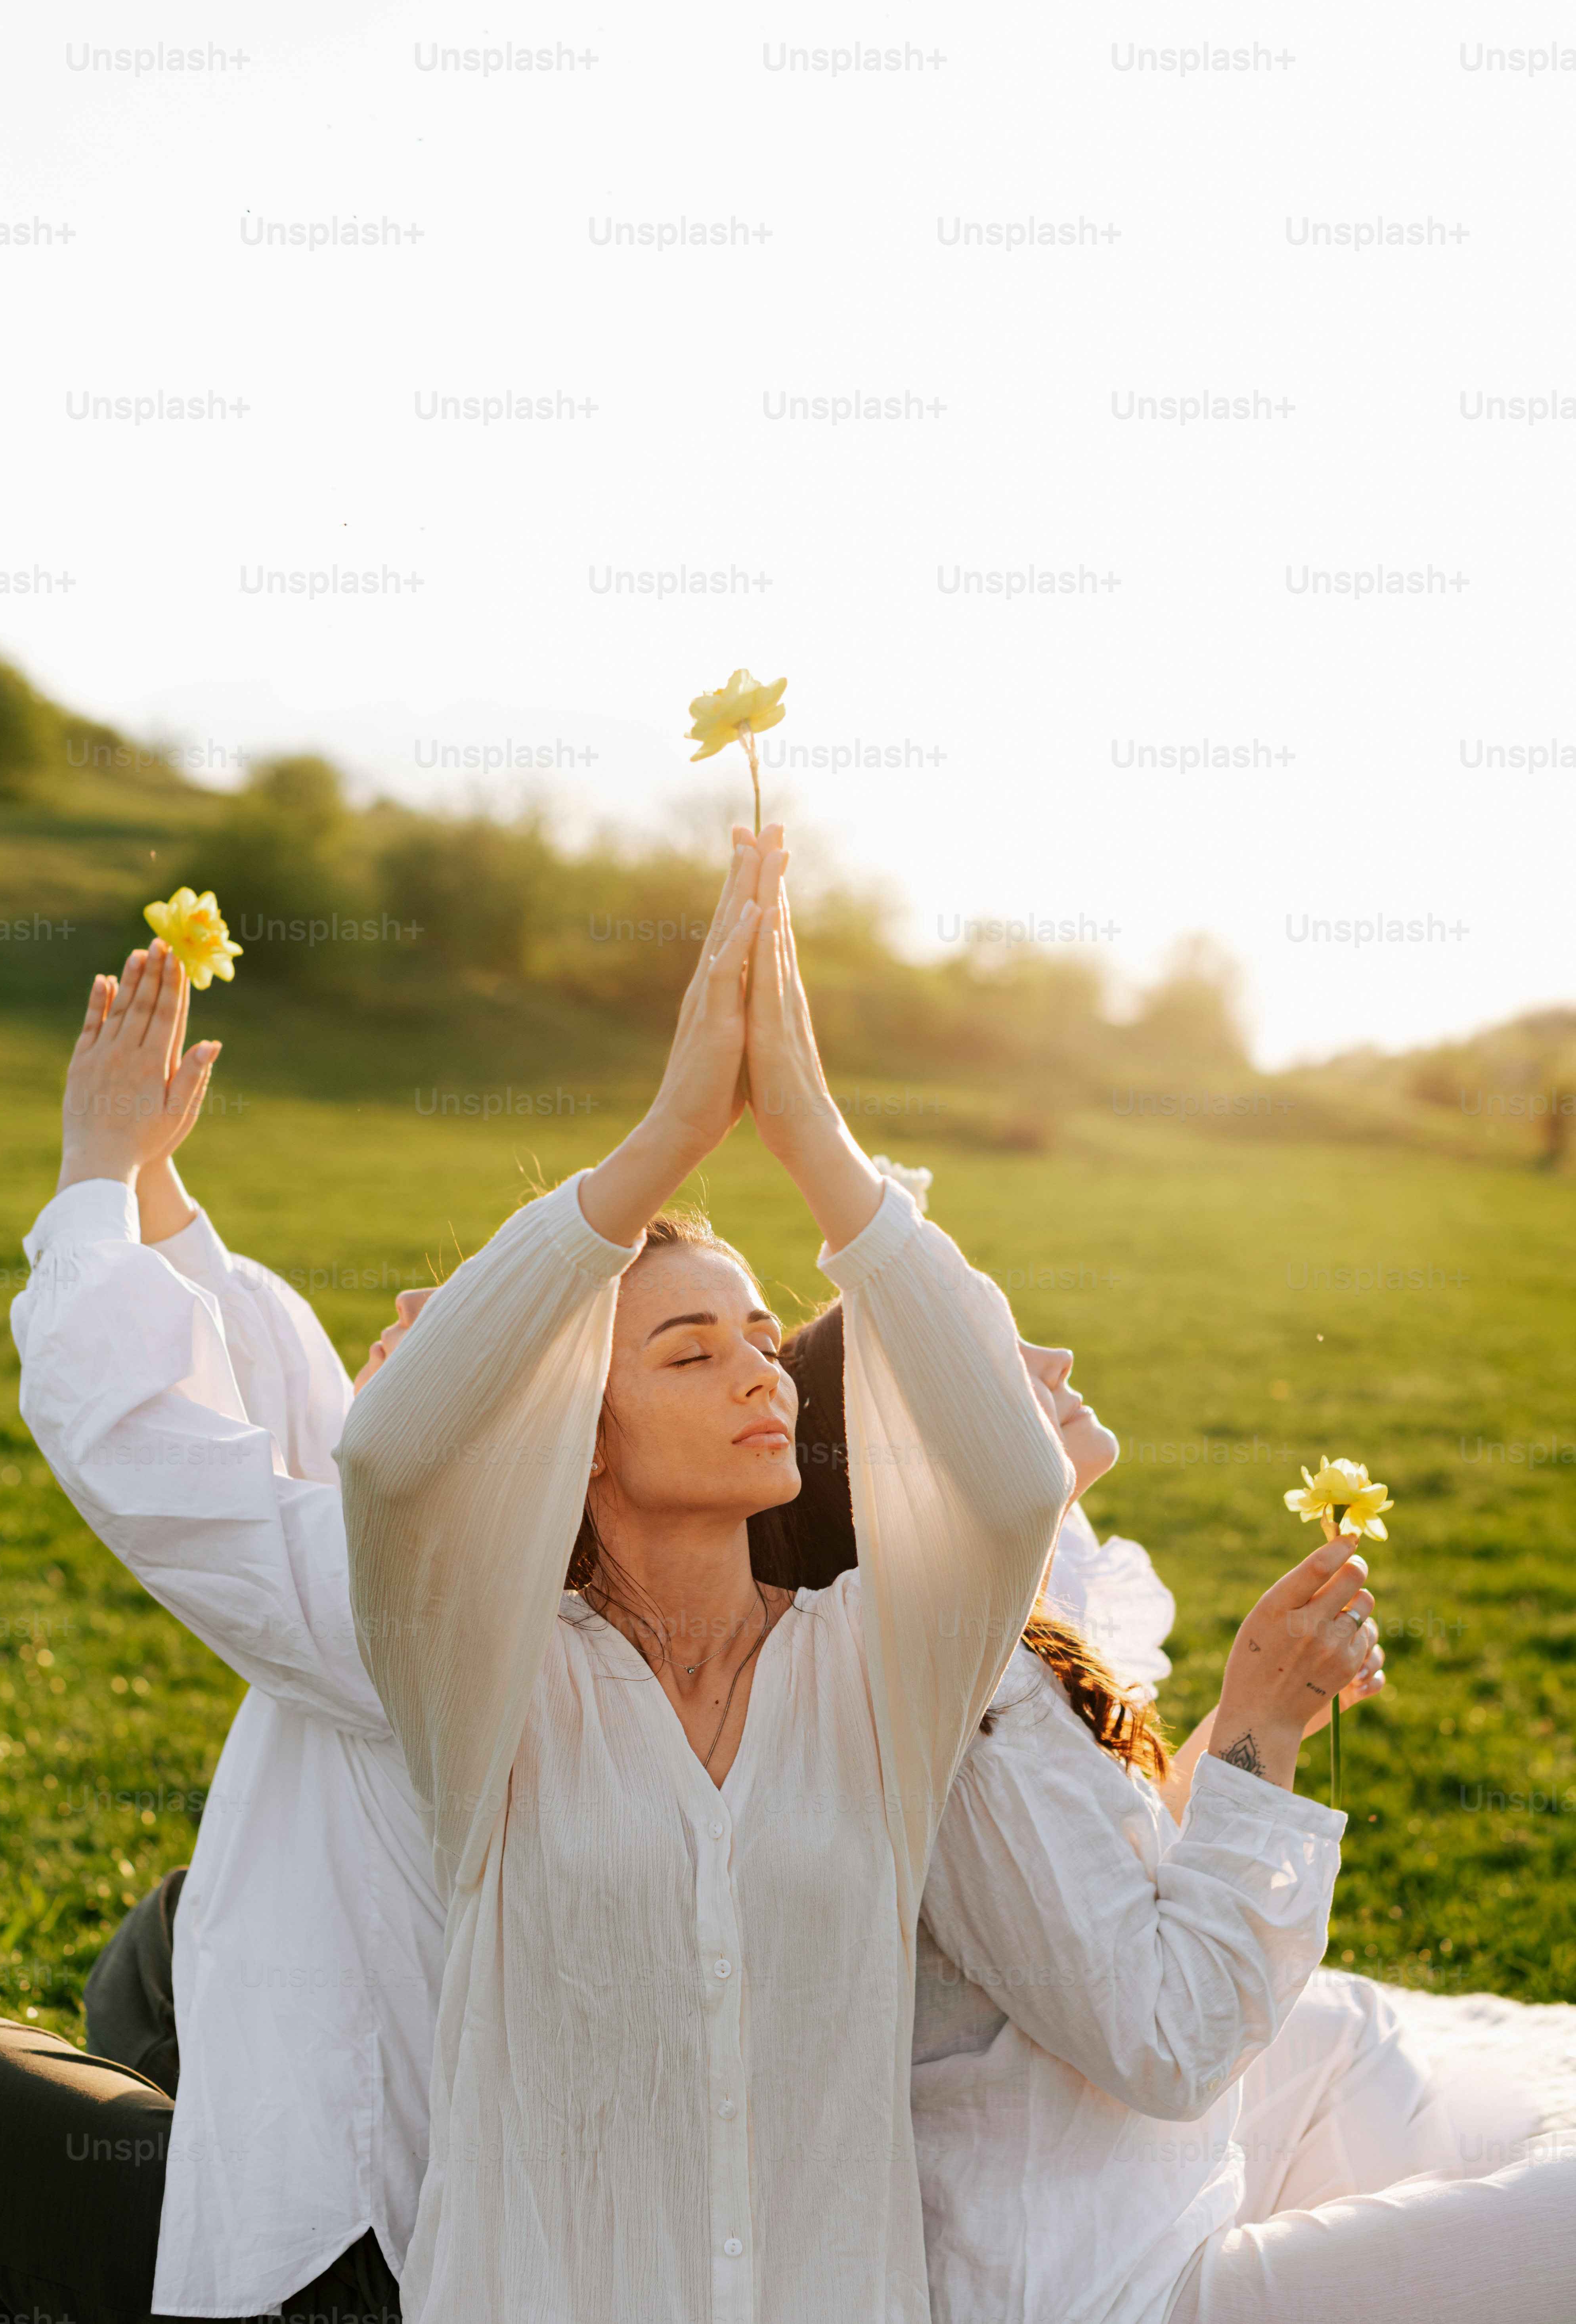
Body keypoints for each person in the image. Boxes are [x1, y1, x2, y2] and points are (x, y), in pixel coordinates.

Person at [337, 830, 1076, 2323]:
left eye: (758, 1337)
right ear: (578, 1439)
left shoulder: (874, 1667)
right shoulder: (495, 1676)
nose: (761, 1371)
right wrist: (669, 1134)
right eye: (689, 1349)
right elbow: (389, 1459)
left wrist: (812, 1129)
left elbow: (1014, 1481)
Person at [769, 1290, 1576, 2324]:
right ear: (931, 1444)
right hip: (1097, 2286)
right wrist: (1263, 1720)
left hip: (1124, 2185)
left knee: (1362, 2036)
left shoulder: (985, 1635)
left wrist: (1272, 1700)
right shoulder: (971, 1714)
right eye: (1003, 1356)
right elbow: (1170, 2040)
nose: (1057, 1357)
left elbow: (1124, 1867)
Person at [8, 937, 442, 2320]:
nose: (412, 1310)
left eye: (464, 1329)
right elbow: (297, 1431)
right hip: (396, 2173)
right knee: (163, 1942)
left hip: (359, 2266)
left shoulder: (430, 1612)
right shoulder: (488, 1548)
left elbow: (161, 1446)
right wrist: (152, 1184)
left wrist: (91, 1175)